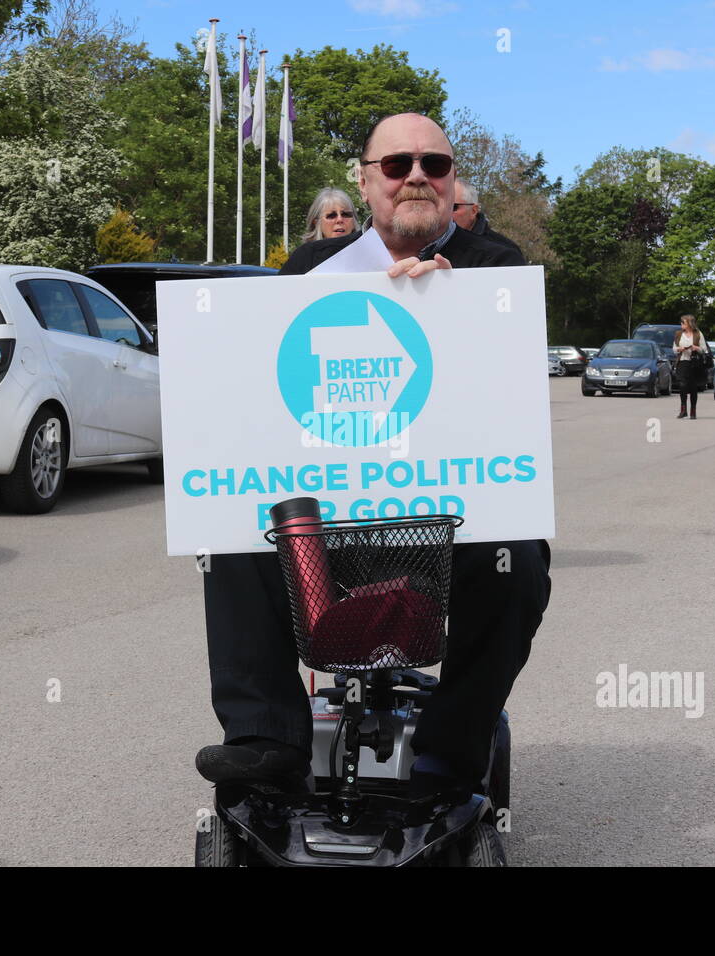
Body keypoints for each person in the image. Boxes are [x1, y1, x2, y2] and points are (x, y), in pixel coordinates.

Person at [195, 113, 552, 798]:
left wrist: (454, 312)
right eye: (396, 166)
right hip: (331, 508)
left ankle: (451, 749)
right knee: (232, 524)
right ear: (366, 182)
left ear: (451, 182)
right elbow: (259, 393)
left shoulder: (494, 267)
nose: (416, 176)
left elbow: (511, 405)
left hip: (447, 517)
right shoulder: (306, 270)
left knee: (520, 559)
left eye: (434, 165)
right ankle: (266, 734)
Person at [452, 180, 521, 254]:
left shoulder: (504, 252)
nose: (445, 212)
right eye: (438, 206)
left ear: (473, 211)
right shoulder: (439, 245)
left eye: (453, 207)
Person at [673, 314, 706, 419]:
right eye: (681, 322)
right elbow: (674, 348)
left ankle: (693, 411)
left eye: (683, 322)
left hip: (694, 363)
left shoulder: (698, 334)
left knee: (693, 388)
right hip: (682, 362)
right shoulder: (678, 334)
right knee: (682, 385)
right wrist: (679, 349)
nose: (681, 324)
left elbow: (704, 349)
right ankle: (683, 410)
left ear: (689, 324)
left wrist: (696, 348)